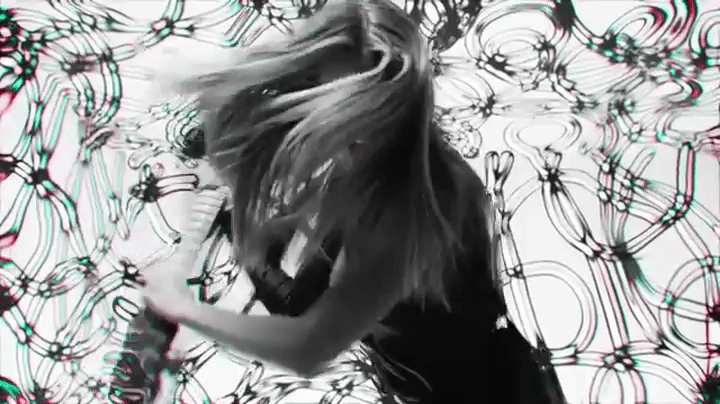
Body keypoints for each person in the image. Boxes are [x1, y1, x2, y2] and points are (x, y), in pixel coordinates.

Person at [139, 0, 568, 402]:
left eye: (347, 111)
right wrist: (248, 231)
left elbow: (310, 347)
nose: (326, 124)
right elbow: (305, 305)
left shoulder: (409, 209)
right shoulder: (382, 164)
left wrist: (184, 308)